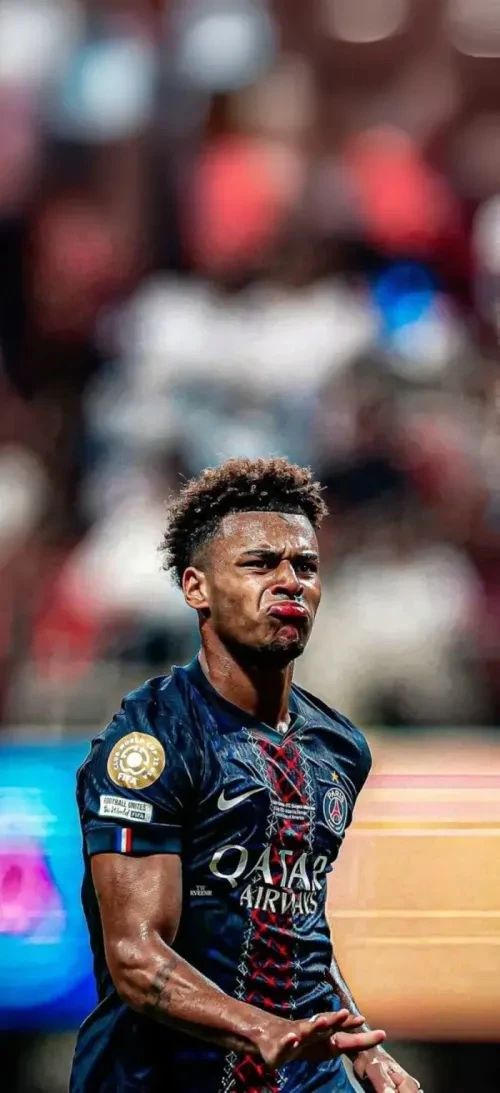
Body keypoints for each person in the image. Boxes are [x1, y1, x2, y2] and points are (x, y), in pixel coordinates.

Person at [70, 457, 421, 1093]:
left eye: (305, 567)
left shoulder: (339, 747)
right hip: (162, 1077)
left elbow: (295, 922)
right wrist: (259, 1027)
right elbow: (136, 958)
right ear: (196, 588)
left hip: (304, 1074)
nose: (290, 584)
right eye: (260, 565)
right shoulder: (152, 742)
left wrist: (360, 1045)